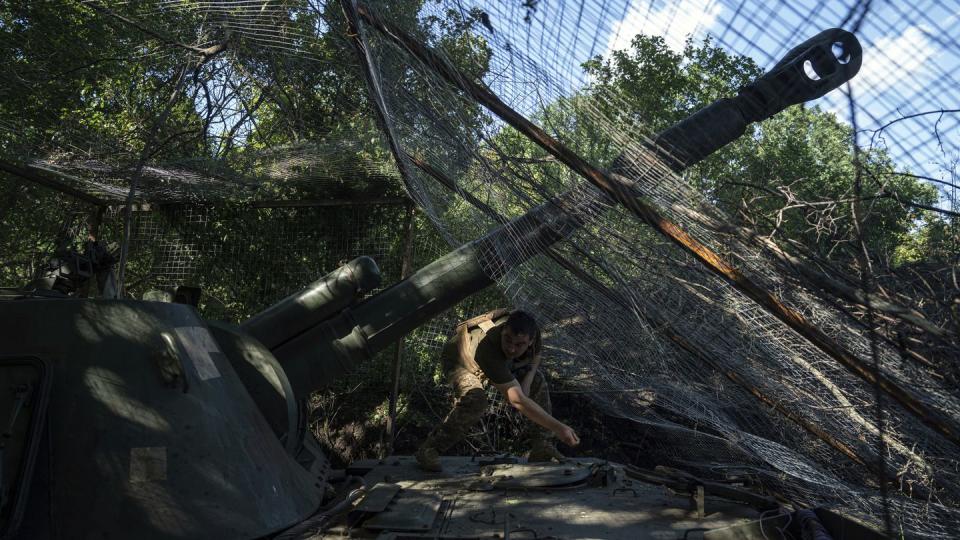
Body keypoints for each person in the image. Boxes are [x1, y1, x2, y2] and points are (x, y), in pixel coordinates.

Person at [415, 308, 580, 471]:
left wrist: (528, 381)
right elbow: (516, 399)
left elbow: (536, 355)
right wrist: (559, 428)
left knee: (538, 380)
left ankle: (542, 446)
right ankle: (430, 449)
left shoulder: (532, 331)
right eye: (507, 340)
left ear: (530, 340)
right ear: (503, 331)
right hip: (461, 359)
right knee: (476, 400)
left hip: (502, 362)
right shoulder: (487, 348)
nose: (512, 348)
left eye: (520, 344)